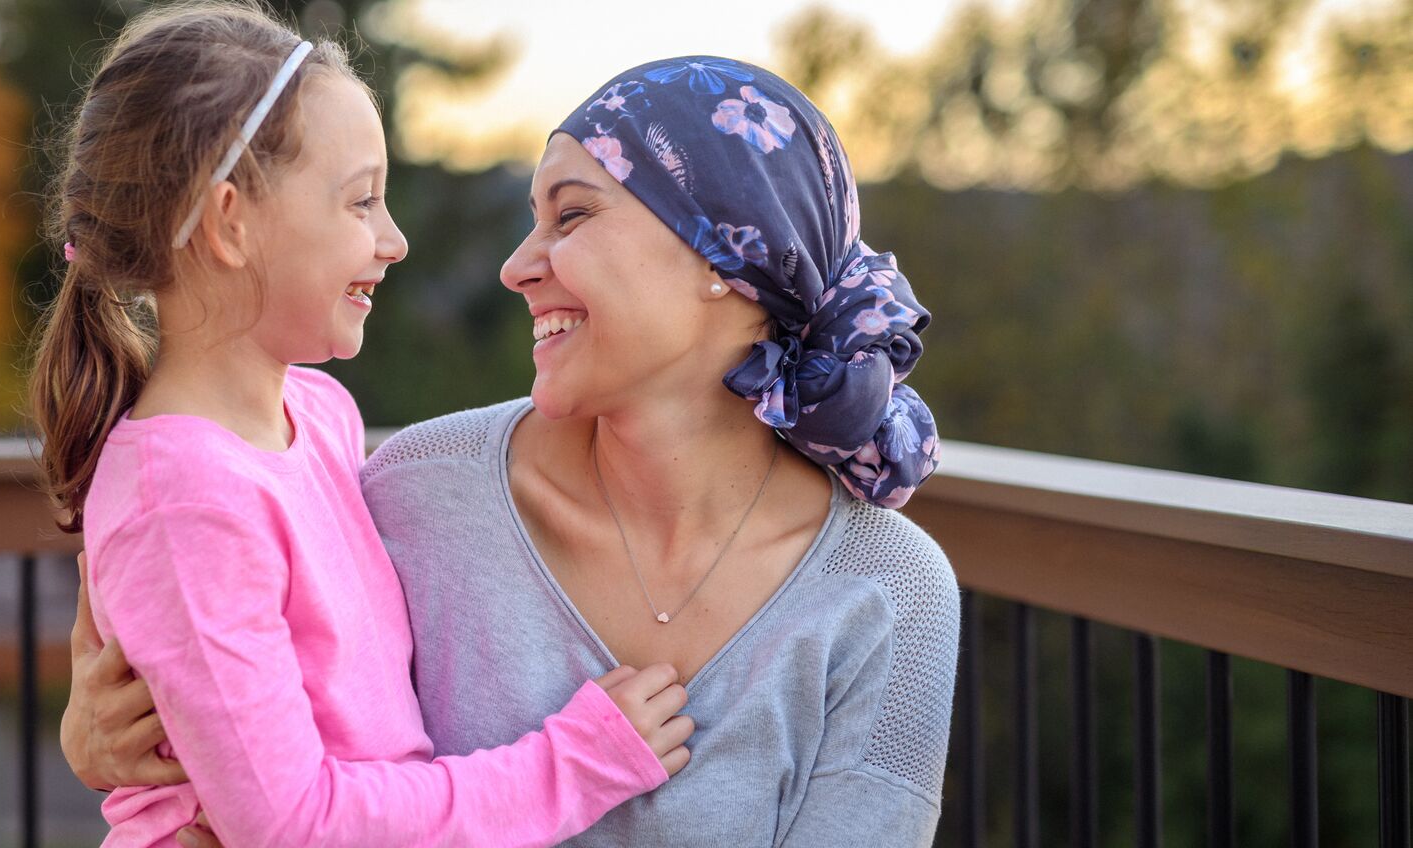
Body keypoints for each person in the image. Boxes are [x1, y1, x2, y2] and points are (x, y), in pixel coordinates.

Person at [64, 54, 960, 847]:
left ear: (724, 257)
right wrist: (103, 732)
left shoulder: (891, 598)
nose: (516, 264)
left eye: (571, 216)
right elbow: (200, 601)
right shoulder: (415, 492)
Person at [30, 5, 691, 846]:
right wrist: (575, 764)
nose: (395, 240)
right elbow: (293, 825)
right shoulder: (186, 499)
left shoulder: (317, 413)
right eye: (360, 203)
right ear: (231, 220)